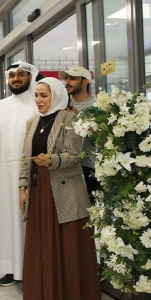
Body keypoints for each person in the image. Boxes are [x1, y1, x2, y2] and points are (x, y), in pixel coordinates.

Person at [19, 77, 101, 300]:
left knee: (62, 243)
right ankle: (43, 293)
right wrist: (22, 187)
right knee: (42, 242)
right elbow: (25, 158)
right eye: (36, 95)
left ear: (56, 97)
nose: (38, 100)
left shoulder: (71, 120)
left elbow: (73, 156)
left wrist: (51, 160)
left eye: (43, 96)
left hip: (63, 190)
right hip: (39, 189)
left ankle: (62, 296)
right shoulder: (32, 122)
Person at [0, 61, 40, 287]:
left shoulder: (37, 103)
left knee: (28, 220)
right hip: (4, 173)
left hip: (30, 172)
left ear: (30, 77)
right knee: (7, 219)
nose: (15, 79)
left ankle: (31, 270)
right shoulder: (1, 105)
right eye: (12, 75)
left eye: (21, 74)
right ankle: (10, 269)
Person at [61, 66, 99, 201]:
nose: (67, 82)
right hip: (64, 166)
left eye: (72, 79)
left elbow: (102, 138)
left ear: (85, 82)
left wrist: (79, 119)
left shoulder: (96, 105)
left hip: (86, 167)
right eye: (66, 79)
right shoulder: (63, 105)